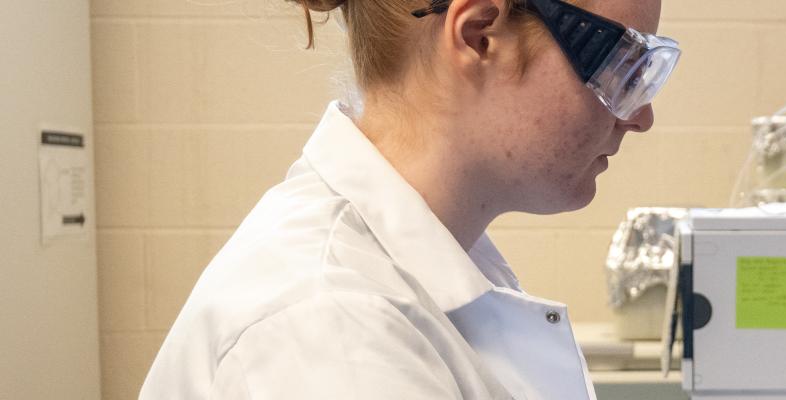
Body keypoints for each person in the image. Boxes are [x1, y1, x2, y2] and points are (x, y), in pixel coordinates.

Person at [139, 0, 676, 398]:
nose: (640, 116)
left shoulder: (425, 264)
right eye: (618, 63)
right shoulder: (331, 330)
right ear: (479, 36)